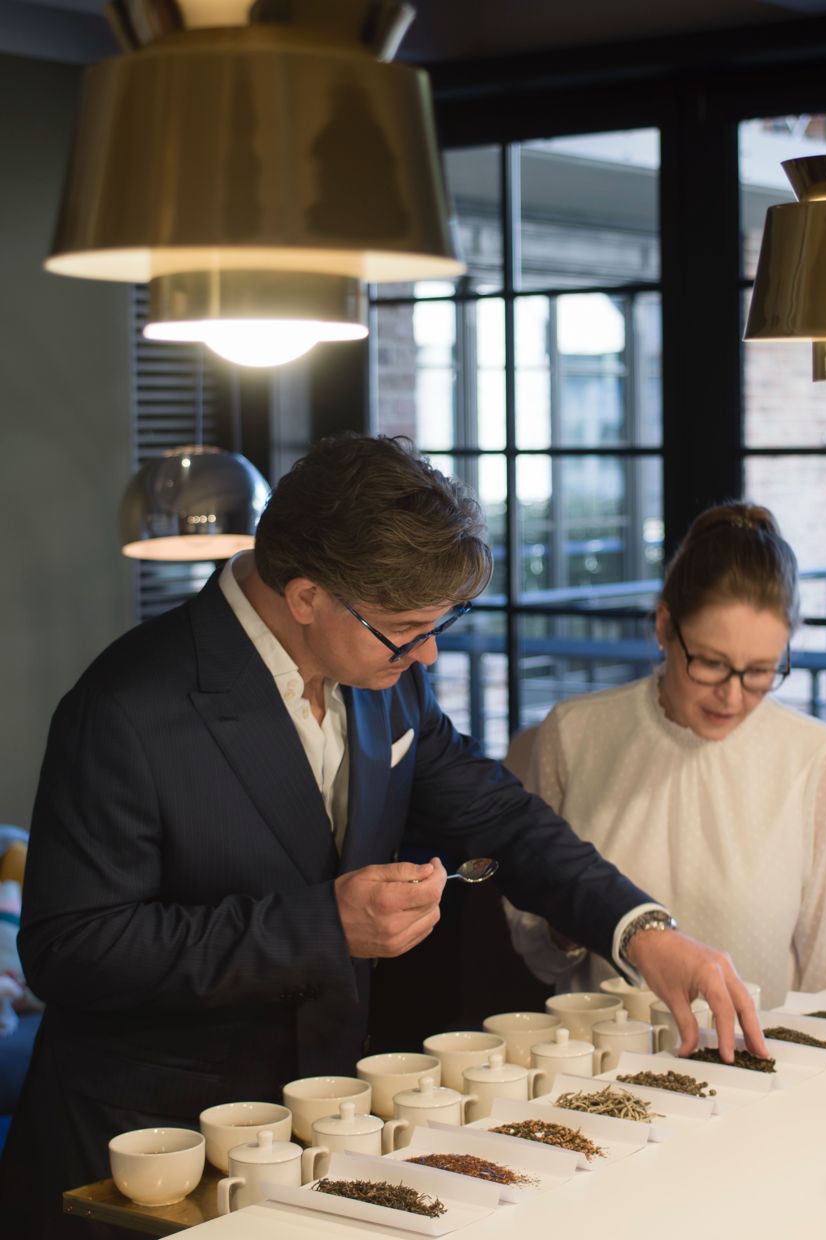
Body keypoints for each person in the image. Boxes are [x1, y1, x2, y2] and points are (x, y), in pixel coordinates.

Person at [0, 435, 762, 1230]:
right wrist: (323, 926)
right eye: (405, 628)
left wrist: (642, 932)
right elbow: (70, 951)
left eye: (438, 623)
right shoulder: (123, 706)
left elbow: (500, 816)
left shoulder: (383, 678)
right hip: (145, 1155)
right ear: (306, 596)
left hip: (322, 1132)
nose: (427, 652)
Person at [503, 502, 826, 1006]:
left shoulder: (819, 759)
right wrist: (573, 923)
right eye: (712, 664)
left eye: (760, 671)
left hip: (763, 1055)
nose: (732, 696)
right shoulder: (573, 734)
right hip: (599, 1052)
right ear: (663, 626)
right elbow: (537, 955)